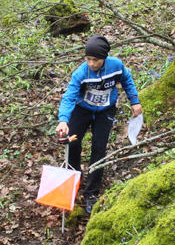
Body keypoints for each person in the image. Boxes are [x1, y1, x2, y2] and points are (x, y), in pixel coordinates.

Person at [55, 35, 142, 214]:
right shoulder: (81, 73)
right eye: (88, 59)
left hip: (105, 110)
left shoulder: (116, 65)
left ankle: (91, 193)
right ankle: (73, 179)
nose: (92, 63)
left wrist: (134, 101)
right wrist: (63, 119)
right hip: (83, 108)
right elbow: (69, 96)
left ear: (105, 58)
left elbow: (127, 79)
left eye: (96, 60)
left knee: (99, 148)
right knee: (73, 143)